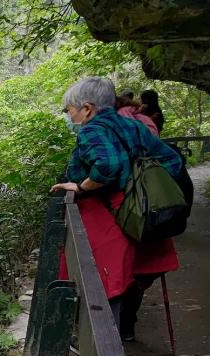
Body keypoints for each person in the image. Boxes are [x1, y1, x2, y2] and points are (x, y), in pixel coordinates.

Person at [51, 77, 183, 341]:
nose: (69, 116)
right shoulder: (131, 125)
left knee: (102, 277)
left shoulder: (92, 129)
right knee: (129, 273)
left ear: (87, 108)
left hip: (109, 215)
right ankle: (122, 332)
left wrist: (81, 187)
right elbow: (172, 161)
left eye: (69, 110)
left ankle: (101, 346)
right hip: (140, 213)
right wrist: (142, 188)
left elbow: (108, 167)